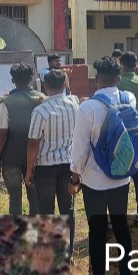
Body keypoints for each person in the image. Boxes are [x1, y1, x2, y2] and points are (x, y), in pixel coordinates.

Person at [70, 57, 135, 275]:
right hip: (121, 176)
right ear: (118, 78)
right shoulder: (128, 99)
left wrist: (75, 177)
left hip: (94, 180)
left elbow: (80, 148)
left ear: (96, 79)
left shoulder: (88, 108)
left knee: (97, 233)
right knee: (121, 228)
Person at [25, 68, 79, 253]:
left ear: (45, 87)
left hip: (46, 167)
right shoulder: (74, 103)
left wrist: (29, 170)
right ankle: (68, 252)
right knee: (67, 209)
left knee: (46, 211)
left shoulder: (40, 111)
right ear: (64, 85)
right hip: (68, 165)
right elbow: (72, 95)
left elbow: (33, 144)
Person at [0, 62, 43, 216]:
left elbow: (2, 134)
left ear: (12, 80)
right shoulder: (40, 99)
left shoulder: (6, 102)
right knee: (35, 199)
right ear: (30, 79)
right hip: (35, 158)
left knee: (15, 198)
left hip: (11, 158)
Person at [118, 52, 138, 224]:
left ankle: (119, 212)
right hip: (136, 128)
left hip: (120, 129)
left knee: (119, 170)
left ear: (122, 64)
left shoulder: (119, 81)